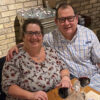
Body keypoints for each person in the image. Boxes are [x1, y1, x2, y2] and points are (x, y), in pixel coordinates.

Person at [6, 2, 100, 91]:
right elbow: (35, 40)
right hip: (72, 84)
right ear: (56, 21)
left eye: (70, 18)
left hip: (94, 79)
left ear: (76, 19)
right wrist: (17, 46)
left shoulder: (89, 34)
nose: (67, 23)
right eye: (62, 19)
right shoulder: (50, 38)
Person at [2, 18, 72, 100]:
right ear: (23, 36)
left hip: (54, 96)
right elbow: (8, 86)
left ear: (42, 36)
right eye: (30, 33)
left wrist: (65, 78)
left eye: (37, 33)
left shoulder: (50, 51)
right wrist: (31, 95)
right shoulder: (14, 57)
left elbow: (63, 68)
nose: (34, 37)